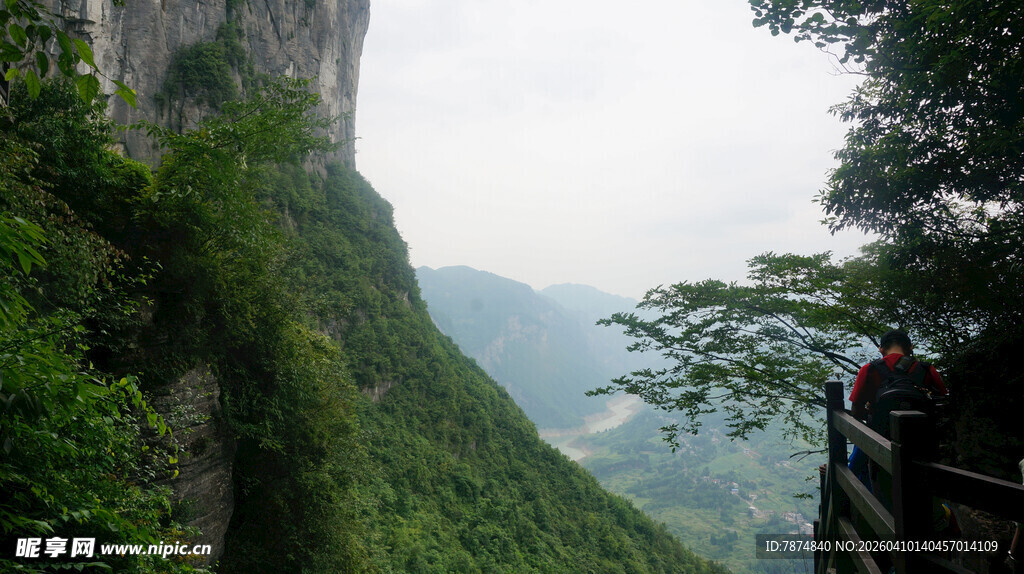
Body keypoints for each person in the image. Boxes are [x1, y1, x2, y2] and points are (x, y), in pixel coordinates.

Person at [848, 329, 948, 509]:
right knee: (926, 491)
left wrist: (873, 414)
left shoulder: (870, 370)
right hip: (921, 442)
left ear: (881, 349)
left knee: (858, 472)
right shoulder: (926, 369)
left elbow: (855, 411)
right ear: (910, 348)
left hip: (881, 440)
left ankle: (851, 507)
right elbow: (943, 401)